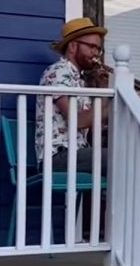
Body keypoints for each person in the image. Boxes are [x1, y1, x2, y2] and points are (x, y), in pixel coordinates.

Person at [35, 17, 110, 174]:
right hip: (58, 155)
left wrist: (103, 89)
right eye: (91, 47)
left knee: (124, 156)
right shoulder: (58, 72)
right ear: (73, 46)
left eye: (98, 49)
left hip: (77, 152)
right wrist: (113, 109)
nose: (96, 53)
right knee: (119, 157)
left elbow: (95, 125)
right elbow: (78, 121)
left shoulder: (79, 81)